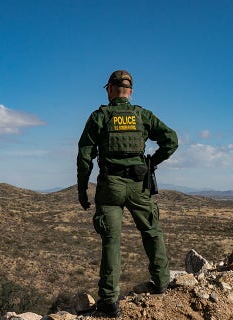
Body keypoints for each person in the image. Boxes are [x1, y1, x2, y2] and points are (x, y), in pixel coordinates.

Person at [76, 70, 178, 317]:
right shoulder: (141, 115)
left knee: (111, 241)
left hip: (110, 186)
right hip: (139, 185)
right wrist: (153, 163)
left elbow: (84, 156)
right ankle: (162, 281)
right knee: (151, 231)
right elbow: (171, 140)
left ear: (110, 89)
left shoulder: (99, 117)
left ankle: (109, 300)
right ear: (130, 92)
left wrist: (82, 189)